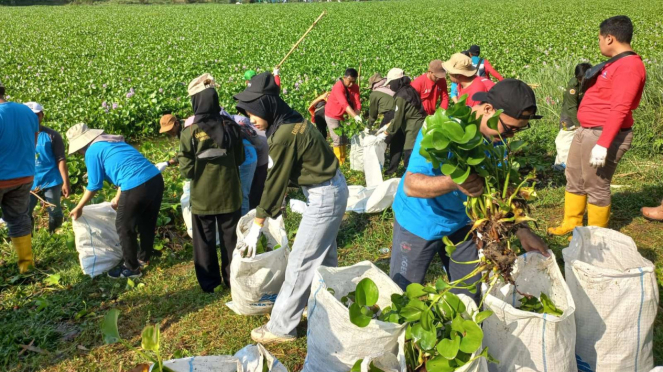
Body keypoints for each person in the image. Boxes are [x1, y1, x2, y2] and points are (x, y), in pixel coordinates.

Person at [389, 79, 548, 304]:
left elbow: (500, 193)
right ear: (488, 109)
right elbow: (411, 185)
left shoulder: (498, 141)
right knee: (404, 292)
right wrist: (455, 182)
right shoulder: (441, 127)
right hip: (420, 220)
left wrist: (521, 229)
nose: (511, 136)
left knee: (470, 292)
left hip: (462, 222)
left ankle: (464, 332)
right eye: (509, 128)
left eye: (517, 131)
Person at [233, 72, 348, 344]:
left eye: (253, 112)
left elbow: (274, 183)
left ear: (267, 106)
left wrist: (257, 225)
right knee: (324, 257)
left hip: (324, 196)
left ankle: (281, 327)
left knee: (300, 262)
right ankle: (323, 304)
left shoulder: (283, 135)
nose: (251, 119)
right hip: (331, 188)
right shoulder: (291, 117)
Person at [548, 16, 646, 236]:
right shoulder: (616, 63)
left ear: (609, 38)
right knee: (574, 176)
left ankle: (596, 235)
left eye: (600, 38)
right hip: (586, 131)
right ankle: (571, 222)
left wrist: (603, 144)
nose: (599, 42)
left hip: (603, 134)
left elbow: (620, 108)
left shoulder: (629, 66)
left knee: (596, 185)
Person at [67, 123, 164, 279]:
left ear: (81, 145)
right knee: (147, 221)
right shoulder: (112, 142)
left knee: (124, 226)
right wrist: (118, 198)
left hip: (137, 184)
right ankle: (144, 257)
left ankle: (131, 268)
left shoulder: (92, 151)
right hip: (155, 178)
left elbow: (94, 185)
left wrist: (79, 207)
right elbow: (125, 169)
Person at [179, 74, 244, 292]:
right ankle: (231, 278)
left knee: (204, 241)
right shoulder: (230, 126)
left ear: (196, 103)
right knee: (230, 239)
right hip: (229, 192)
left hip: (203, 197)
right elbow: (240, 159)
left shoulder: (189, 132)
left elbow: (186, 170)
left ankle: (209, 283)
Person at [0, 82, 39, 273]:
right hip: (24, 175)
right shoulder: (26, 112)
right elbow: (34, 142)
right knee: (18, 219)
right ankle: (26, 265)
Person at [25, 102, 70, 233]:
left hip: (51, 180)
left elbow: (61, 159)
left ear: (42, 116)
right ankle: (29, 238)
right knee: (25, 212)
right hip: (29, 182)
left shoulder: (52, 135)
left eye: (36, 115)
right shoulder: (21, 135)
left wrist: (65, 182)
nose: (33, 118)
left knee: (55, 210)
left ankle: (54, 236)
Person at [382, 69, 427, 170]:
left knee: (409, 150)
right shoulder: (409, 89)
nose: (390, 86)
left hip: (414, 125)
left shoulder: (401, 96)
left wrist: (385, 133)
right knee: (416, 149)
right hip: (418, 122)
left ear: (397, 81)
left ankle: (410, 174)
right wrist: (388, 125)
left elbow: (398, 118)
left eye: (391, 83)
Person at [553, 63, 592, 171]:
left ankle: (576, 165)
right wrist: (578, 124)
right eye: (580, 78)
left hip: (583, 113)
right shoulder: (573, 85)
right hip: (570, 115)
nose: (583, 81)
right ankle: (560, 165)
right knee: (565, 139)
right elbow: (571, 107)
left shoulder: (593, 82)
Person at [324, 68, 362, 164]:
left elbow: (357, 103)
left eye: (354, 82)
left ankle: (343, 159)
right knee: (337, 139)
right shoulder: (338, 87)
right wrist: (355, 117)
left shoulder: (355, 87)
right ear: (344, 78)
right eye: (350, 81)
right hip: (332, 115)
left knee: (344, 138)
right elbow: (344, 104)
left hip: (344, 116)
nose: (351, 84)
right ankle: (339, 163)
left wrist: (357, 114)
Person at [232, 115, 259, 216]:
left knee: (243, 192)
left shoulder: (228, 126)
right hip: (246, 157)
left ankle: (244, 221)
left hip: (248, 161)